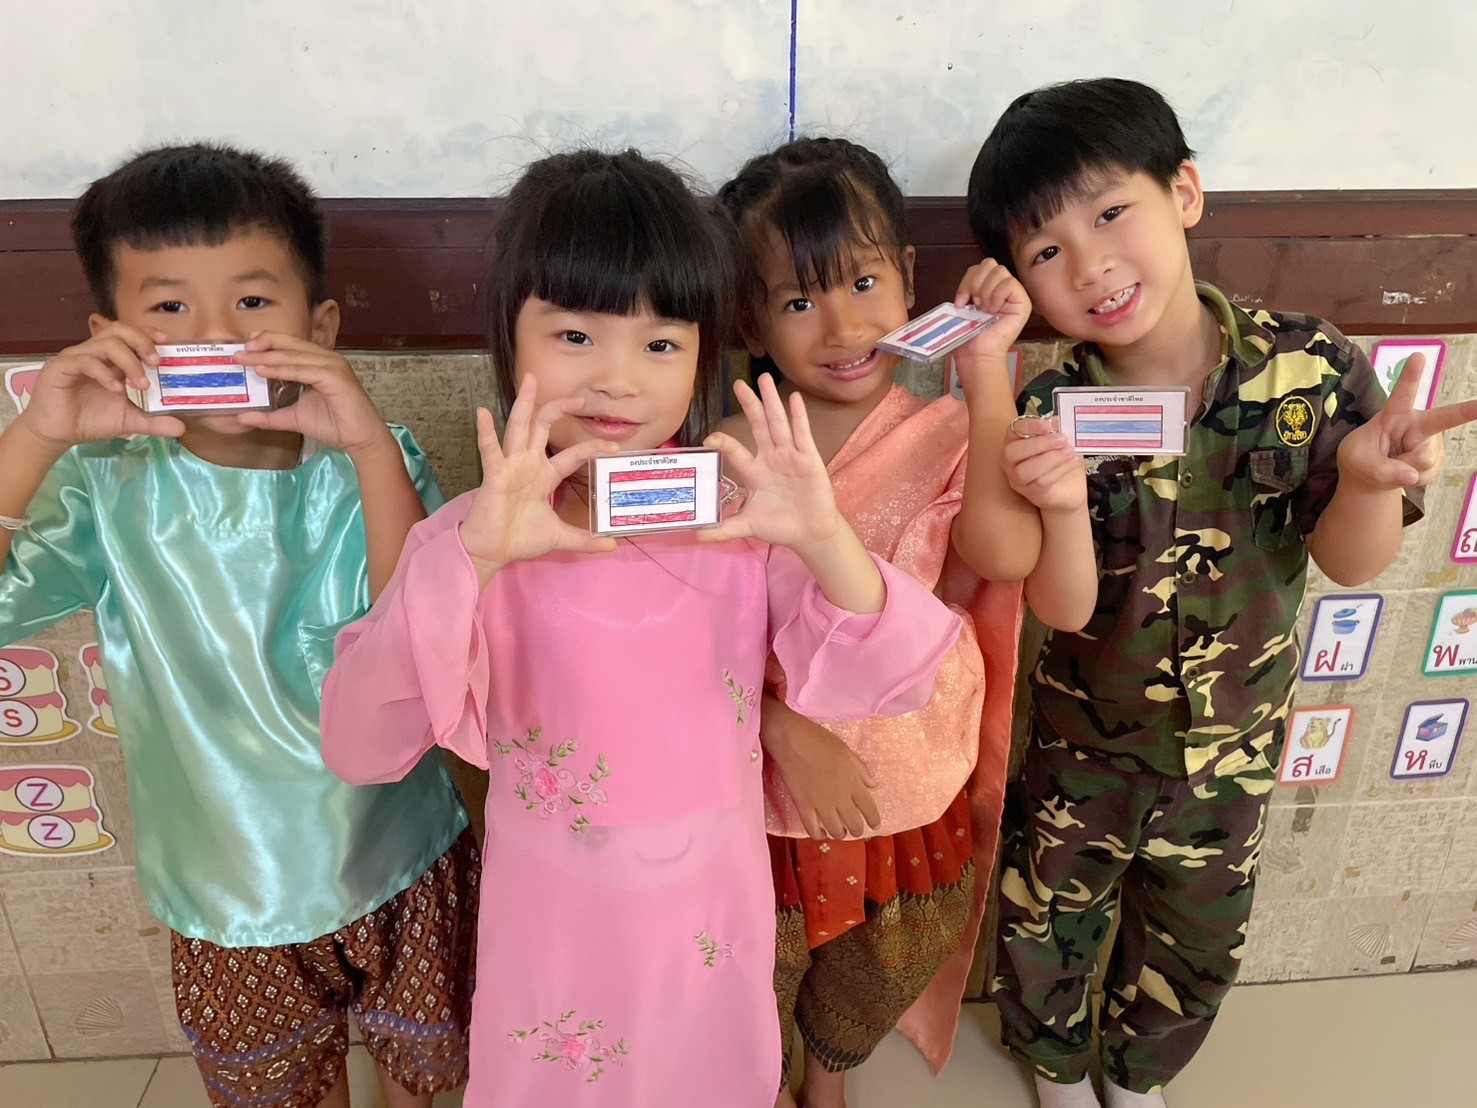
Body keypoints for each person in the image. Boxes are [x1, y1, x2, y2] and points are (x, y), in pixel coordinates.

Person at [317, 148, 966, 1108]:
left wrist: (825, 537)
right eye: (575, 335)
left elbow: (895, 675)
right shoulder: (471, 537)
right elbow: (361, 743)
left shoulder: (739, 525)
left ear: (703, 354)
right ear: (508, 338)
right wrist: (470, 563)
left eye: (660, 344)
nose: (617, 381)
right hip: (556, 925)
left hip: (708, 917)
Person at [967, 77, 1477, 1107]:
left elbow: (1353, 564)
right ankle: (1055, 1070)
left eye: (1111, 212)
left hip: (1232, 755)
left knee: (1195, 941)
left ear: (1185, 193)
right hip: (1082, 749)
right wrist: (1056, 498)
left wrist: (1367, 482)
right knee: (1044, 922)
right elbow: (1058, 605)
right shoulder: (1053, 404)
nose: (1090, 264)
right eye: (1045, 251)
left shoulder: (1309, 367)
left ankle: (1136, 1076)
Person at [0, 143, 477, 1108]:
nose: (217, 336)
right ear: (111, 335)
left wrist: (369, 449)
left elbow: (423, 640)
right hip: (226, 887)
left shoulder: (376, 461)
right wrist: (38, 433)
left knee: (426, 1077)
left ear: (320, 325)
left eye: (253, 301)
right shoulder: (106, 483)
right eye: (170, 308)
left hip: (403, 849)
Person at [716, 135, 1092, 1107]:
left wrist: (985, 368)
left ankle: (827, 1075)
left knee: (880, 952)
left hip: (910, 765)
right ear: (749, 317)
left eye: (862, 283)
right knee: (757, 955)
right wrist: (776, 725)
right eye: (798, 301)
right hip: (757, 779)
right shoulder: (725, 452)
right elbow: (691, 635)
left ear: (908, 277)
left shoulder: (948, 428)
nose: (843, 326)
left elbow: (1002, 555)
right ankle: (768, 1076)